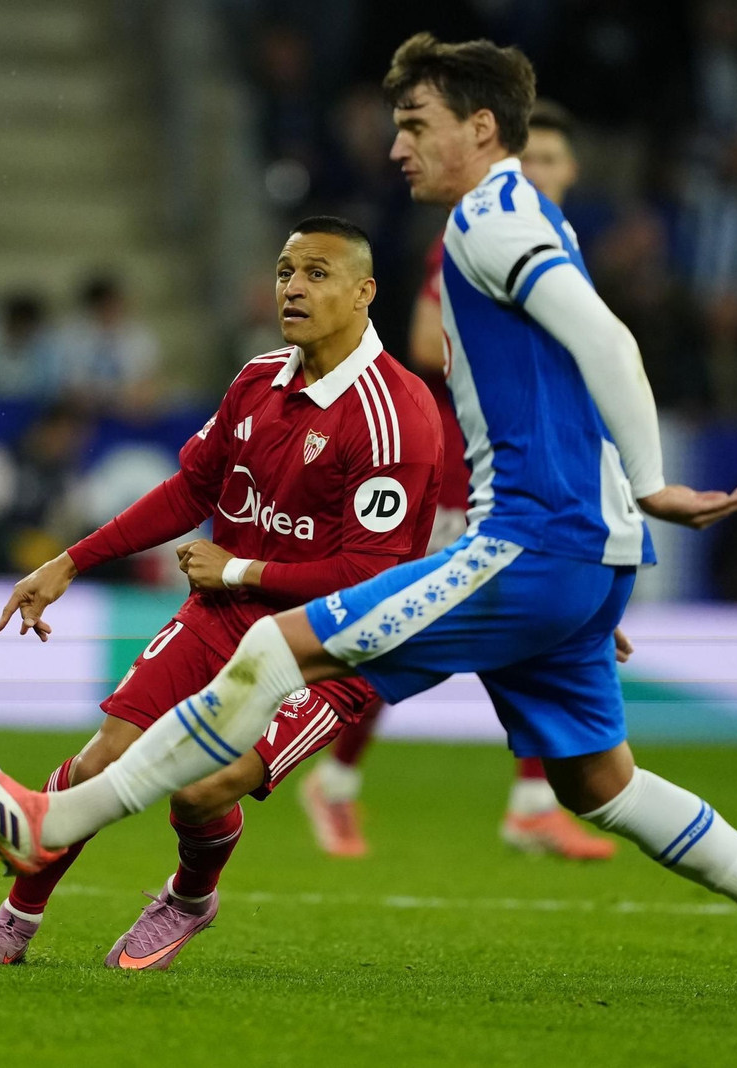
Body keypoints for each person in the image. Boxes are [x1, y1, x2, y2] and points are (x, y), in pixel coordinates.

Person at [0, 34, 737, 1016]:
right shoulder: (521, 220)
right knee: (601, 785)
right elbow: (568, 374)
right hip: (580, 553)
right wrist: (608, 542)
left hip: (529, 539)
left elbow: (606, 340)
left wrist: (648, 482)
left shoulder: (490, 217)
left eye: (414, 125)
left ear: (479, 130)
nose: (395, 148)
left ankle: (56, 821)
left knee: (274, 646)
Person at [0, 216, 443, 969]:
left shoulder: (394, 415)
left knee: (200, 792)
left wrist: (237, 570)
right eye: (284, 271)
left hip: (333, 644)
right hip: (222, 617)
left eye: (316, 273)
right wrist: (70, 562)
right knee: (96, 762)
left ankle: (187, 897)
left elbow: (371, 580)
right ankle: (15, 921)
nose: (293, 287)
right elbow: (191, 491)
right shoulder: (256, 378)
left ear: (365, 292)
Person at [303, 99, 619, 862]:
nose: (538, 171)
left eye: (551, 160)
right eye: (529, 158)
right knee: (409, 633)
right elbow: (418, 339)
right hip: (463, 468)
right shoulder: (477, 239)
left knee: (541, 632)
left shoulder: (558, 249)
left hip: (532, 476)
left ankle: (532, 803)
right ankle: (333, 780)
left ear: (572, 172)